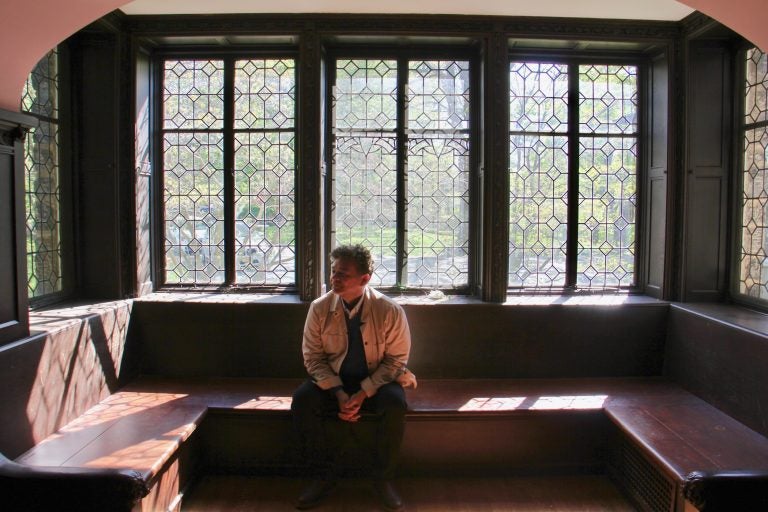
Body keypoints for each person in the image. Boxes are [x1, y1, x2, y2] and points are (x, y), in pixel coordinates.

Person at [291, 244, 416, 511]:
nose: (335, 278)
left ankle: (383, 479)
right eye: (334, 272)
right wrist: (339, 394)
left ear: (365, 279)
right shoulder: (319, 308)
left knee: (395, 405)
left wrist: (362, 393)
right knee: (303, 401)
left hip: (378, 382)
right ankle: (322, 477)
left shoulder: (390, 311)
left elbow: (396, 361)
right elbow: (313, 358)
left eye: (343, 274)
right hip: (333, 383)